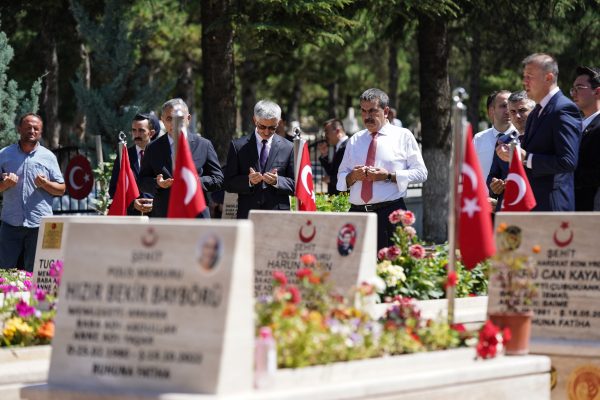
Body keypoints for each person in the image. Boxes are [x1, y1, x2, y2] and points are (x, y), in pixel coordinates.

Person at [337, 88, 427, 251]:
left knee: (391, 271)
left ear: (385, 111)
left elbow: (421, 173)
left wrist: (389, 176)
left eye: (372, 111)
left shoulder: (403, 136)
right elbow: (342, 176)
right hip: (357, 214)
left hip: (389, 215)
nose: (367, 116)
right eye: (363, 111)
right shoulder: (355, 139)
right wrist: (353, 176)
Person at [497, 53, 581, 211]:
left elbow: (568, 162)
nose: (524, 82)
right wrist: (513, 154)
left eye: (530, 76)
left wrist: (526, 157)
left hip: (553, 207)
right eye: (524, 76)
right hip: (534, 204)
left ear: (548, 78)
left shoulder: (564, 109)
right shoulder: (537, 111)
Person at [0, 114, 65, 271]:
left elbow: (61, 189)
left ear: (40, 132)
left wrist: (45, 184)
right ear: (19, 129)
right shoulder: (4, 154)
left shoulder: (48, 157)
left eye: (36, 128)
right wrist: (5, 184)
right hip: (10, 224)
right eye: (28, 127)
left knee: (38, 273)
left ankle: (35, 297)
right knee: (4, 272)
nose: (32, 130)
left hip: (40, 224)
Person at [139, 98, 223, 218]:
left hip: (196, 213)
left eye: (179, 119)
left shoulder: (204, 145)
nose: (174, 123)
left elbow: (218, 179)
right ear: (162, 120)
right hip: (165, 215)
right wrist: (157, 183)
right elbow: (142, 181)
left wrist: (196, 181)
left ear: (188, 119)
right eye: (169, 119)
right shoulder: (153, 148)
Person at [224, 100, 295, 219]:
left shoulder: (288, 147)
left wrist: (277, 181)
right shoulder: (238, 146)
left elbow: (297, 184)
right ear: (254, 120)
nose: (266, 132)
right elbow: (228, 183)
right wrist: (248, 181)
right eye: (262, 126)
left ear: (279, 122)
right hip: (248, 213)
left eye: (272, 128)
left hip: (277, 215)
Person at [487, 91, 536, 210]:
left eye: (522, 110)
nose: (517, 116)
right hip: (507, 209)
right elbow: (493, 175)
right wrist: (494, 186)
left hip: (534, 207)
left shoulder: (542, 138)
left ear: (534, 111)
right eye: (513, 112)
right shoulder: (503, 141)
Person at [108, 113, 156, 215]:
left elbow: (169, 187)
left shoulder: (160, 155)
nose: (137, 134)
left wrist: (156, 203)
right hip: (133, 216)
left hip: (156, 216)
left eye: (141, 130)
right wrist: (132, 203)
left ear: (151, 133)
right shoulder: (124, 157)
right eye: (134, 130)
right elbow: (114, 189)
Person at [572, 66, 600, 211]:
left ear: (597, 91)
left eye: (579, 88)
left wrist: (565, 175)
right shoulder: (575, 126)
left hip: (592, 209)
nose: (573, 93)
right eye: (573, 89)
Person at [473, 90, 515, 179]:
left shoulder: (522, 137)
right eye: (503, 106)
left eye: (511, 106)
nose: (508, 111)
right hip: (484, 192)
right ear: (492, 110)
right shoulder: (478, 139)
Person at [317, 118, 348, 195]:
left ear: (337, 131)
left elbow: (349, 174)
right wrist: (324, 155)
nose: (325, 136)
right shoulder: (338, 147)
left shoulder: (348, 147)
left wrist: (331, 179)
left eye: (327, 132)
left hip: (343, 197)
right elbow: (332, 172)